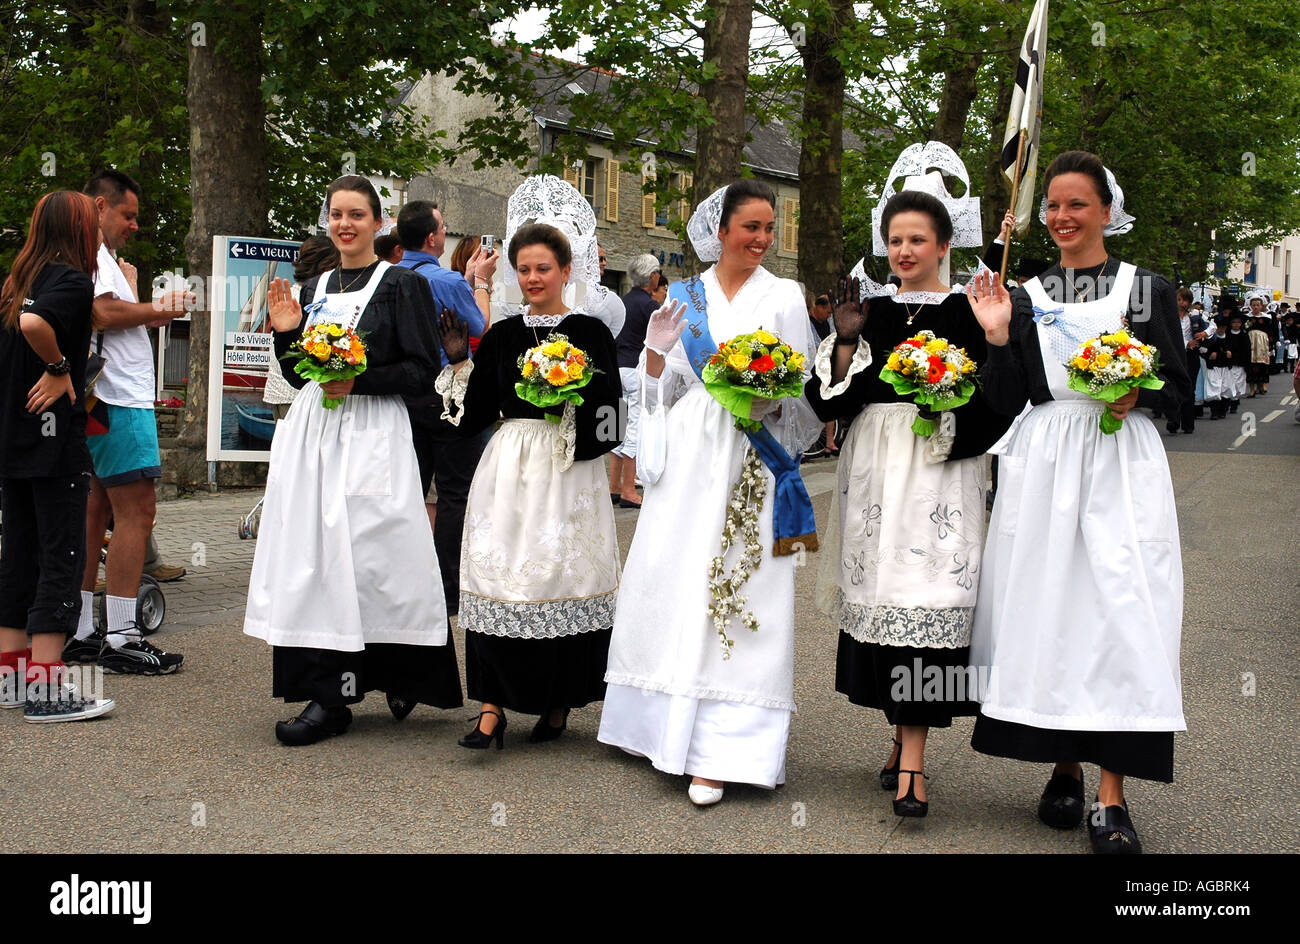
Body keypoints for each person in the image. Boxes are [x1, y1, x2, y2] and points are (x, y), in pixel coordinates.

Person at [966, 151, 1188, 854]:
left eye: (1077, 205)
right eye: (1053, 206)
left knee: (1122, 612)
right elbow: (1004, 400)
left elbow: (1178, 391)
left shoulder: (1145, 288)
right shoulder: (1024, 293)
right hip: (1042, 463)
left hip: (1119, 462)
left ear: (1106, 211)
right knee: (1049, 613)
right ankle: (1062, 767)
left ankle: (1112, 795)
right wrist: (998, 336)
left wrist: (1138, 392)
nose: (1062, 218)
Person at [598, 180, 822, 806]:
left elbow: (800, 395)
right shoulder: (686, 296)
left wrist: (769, 395)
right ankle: (658, 727)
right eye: (751, 226)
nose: (762, 239)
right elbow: (659, 392)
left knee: (738, 580)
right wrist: (653, 353)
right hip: (693, 447)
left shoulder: (785, 295)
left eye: (770, 228)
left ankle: (723, 748)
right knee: (675, 575)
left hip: (750, 452)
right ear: (720, 230)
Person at [807, 190, 1012, 817]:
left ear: (945, 246)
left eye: (918, 240)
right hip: (875, 473)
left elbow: (996, 400)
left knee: (930, 601)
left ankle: (914, 762)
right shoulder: (871, 309)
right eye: (895, 240)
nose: (904, 251)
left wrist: (946, 407)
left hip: (939, 473)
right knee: (886, 603)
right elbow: (834, 403)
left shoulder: (965, 309)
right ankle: (901, 737)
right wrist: (843, 344)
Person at [244, 175, 461, 745]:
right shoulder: (316, 286)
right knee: (318, 560)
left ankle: (398, 672)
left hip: (372, 433)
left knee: (377, 559)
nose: (345, 225)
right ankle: (328, 696)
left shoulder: (400, 285)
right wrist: (288, 332)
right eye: (337, 214)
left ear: (378, 222)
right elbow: (298, 375)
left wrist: (358, 379)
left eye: (357, 215)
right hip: (316, 436)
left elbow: (423, 371)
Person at [436, 220, 622, 750]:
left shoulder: (590, 334)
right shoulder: (504, 335)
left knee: (558, 579)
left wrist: (570, 405)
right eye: (524, 270)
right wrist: (457, 362)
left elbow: (611, 420)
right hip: (510, 467)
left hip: (568, 471)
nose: (534, 278)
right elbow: (471, 418)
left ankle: (558, 703)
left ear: (566, 271)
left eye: (544, 268)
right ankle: (491, 710)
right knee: (501, 578)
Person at [65, 169, 189, 675]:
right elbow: (101, 313)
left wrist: (139, 303)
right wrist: (158, 308)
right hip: (121, 399)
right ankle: (120, 635)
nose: (134, 225)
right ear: (99, 207)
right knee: (137, 512)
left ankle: (77, 631)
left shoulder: (91, 255)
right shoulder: (95, 255)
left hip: (98, 400)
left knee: (94, 509)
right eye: (128, 214)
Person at [0, 191, 116, 721]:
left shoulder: (17, 280)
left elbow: (20, 325)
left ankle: (12, 679)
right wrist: (58, 367)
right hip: (53, 446)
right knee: (61, 558)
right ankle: (47, 690)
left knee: (17, 556)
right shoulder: (70, 280)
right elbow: (35, 326)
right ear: (77, 229)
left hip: (14, 439)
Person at [396, 200, 497, 613]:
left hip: (403, 397)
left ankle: (405, 580)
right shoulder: (446, 282)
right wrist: (481, 284)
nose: (445, 232)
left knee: (409, 491)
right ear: (432, 237)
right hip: (447, 393)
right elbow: (480, 328)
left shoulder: (391, 277)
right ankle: (448, 586)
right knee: (455, 492)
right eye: (443, 227)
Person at [262, 235, 338, 422]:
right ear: (327, 266)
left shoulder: (287, 295)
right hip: (298, 395)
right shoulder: (313, 300)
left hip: (279, 391)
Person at [609, 253, 661, 508]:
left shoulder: (622, 301)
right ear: (652, 277)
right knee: (634, 428)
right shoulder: (650, 306)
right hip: (634, 368)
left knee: (617, 426)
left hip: (616, 366)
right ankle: (629, 489)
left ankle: (614, 485)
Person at [803, 291, 839, 459]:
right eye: (828, 312)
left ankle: (829, 442)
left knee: (829, 400)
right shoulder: (807, 323)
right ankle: (803, 445)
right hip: (810, 369)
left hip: (826, 368)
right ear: (818, 307)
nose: (829, 315)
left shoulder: (827, 323)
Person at [1166, 287, 1203, 434]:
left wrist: (1203, 333)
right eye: (1179, 299)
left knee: (1189, 388)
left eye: (1185, 300)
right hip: (1174, 354)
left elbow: (1211, 326)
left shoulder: (1194, 316)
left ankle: (1188, 423)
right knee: (1173, 388)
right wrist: (1185, 343)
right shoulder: (1169, 316)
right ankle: (1173, 420)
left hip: (1190, 356)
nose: (1182, 303)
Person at [1247, 300, 1271, 397]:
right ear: (1251, 306)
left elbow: (1270, 331)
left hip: (1262, 343)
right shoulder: (1247, 317)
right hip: (1251, 341)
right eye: (1254, 305)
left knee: (1261, 365)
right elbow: (1245, 329)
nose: (1256, 307)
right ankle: (1252, 389)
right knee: (1251, 365)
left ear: (1261, 306)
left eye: (1258, 305)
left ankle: (1260, 385)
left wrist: (1272, 344)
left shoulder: (1266, 318)